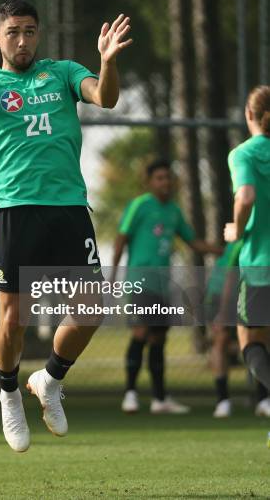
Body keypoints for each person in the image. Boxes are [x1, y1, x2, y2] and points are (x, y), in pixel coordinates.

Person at [0, 0, 133, 452]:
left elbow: (106, 98)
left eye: (30, 31)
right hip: (14, 209)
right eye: (13, 31)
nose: (22, 40)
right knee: (12, 321)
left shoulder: (64, 72)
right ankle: (9, 393)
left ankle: (49, 380)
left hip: (68, 207)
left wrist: (107, 63)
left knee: (91, 310)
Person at [111, 159, 222, 414]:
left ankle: (160, 399)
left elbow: (193, 243)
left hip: (163, 284)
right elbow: (120, 239)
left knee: (159, 338)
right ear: (149, 182)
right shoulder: (139, 205)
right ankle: (130, 394)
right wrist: (113, 277)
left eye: (168, 178)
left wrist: (223, 249)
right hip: (139, 281)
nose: (165, 182)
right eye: (160, 178)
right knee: (140, 334)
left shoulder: (173, 211)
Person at [224, 86, 270, 431]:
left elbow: (247, 195)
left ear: (248, 115)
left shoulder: (244, 154)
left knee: (250, 340)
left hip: (260, 265)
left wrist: (237, 230)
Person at [206, 240, 270, 417]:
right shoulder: (244, 240)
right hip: (221, 291)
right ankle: (222, 401)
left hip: (249, 288)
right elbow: (230, 276)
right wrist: (223, 313)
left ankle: (263, 399)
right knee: (222, 339)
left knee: (260, 338)